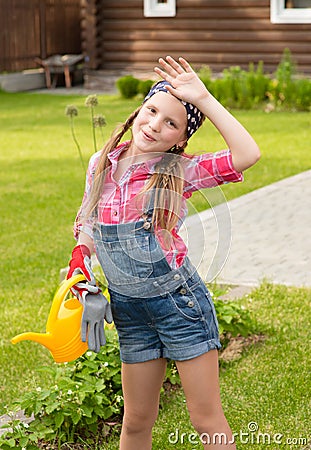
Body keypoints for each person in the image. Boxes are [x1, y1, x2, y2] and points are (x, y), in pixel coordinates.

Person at [67, 56, 260, 449]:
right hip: (129, 311)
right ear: (140, 109)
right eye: (152, 111)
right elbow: (86, 225)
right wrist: (81, 272)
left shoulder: (179, 170)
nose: (155, 125)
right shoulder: (101, 163)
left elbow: (247, 154)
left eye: (170, 123)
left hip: (180, 306)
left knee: (205, 420)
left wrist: (203, 98)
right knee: (136, 420)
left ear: (180, 140)